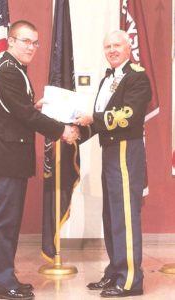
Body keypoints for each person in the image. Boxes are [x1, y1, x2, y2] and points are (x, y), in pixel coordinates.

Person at [0, 20, 79, 300]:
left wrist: (30, 107)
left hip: (11, 159)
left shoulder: (15, 70)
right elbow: (25, 117)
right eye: (25, 41)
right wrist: (62, 130)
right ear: (10, 41)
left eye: (35, 42)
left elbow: (17, 111)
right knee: (1, 224)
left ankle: (6, 277)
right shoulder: (8, 71)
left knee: (9, 224)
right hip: (3, 160)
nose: (31, 47)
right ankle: (0, 285)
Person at [74, 30, 152, 298]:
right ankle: (116, 271)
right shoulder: (108, 79)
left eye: (117, 45)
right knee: (112, 215)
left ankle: (130, 279)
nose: (112, 50)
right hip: (109, 151)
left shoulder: (137, 77)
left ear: (128, 47)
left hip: (126, 150)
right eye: (107, 46)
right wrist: (71, 131)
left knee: (126, 217)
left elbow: (128, 115)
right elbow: (97, 121)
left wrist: (90, 119)